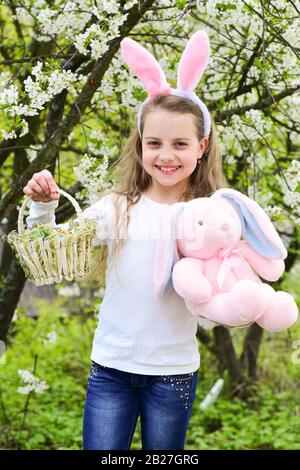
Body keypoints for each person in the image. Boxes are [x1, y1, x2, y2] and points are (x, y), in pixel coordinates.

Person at [23, 30, 229, 450]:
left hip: (174, 371)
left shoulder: (212, 216)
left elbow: (227, 281)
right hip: (112, 368)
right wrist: (44, 206)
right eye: (154, 143)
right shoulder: (118, 207)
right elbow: (55, 245)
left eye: (180, 144)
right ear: (140, 147)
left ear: (202, 146)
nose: (165, 155)